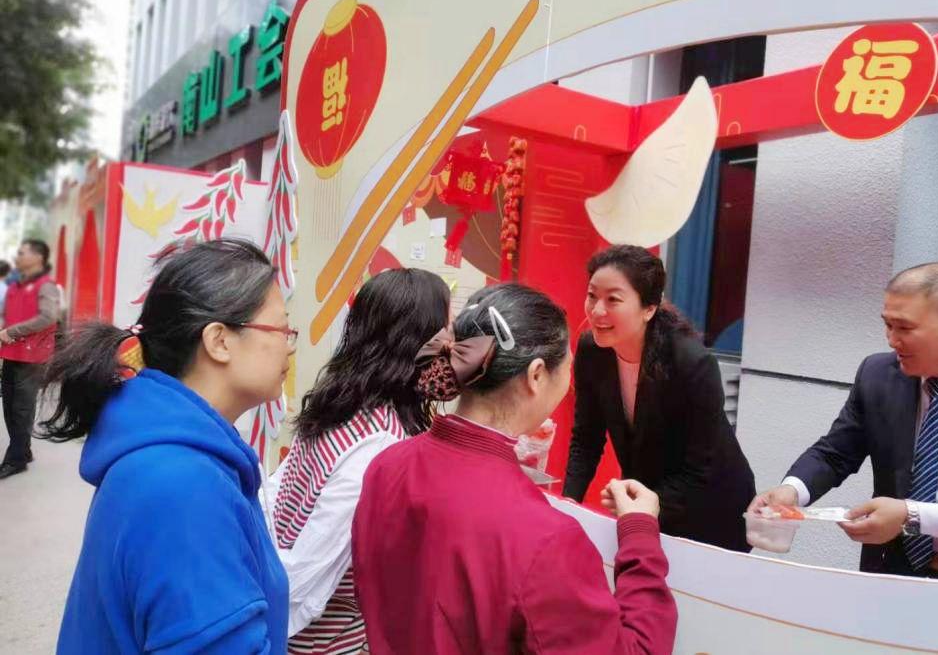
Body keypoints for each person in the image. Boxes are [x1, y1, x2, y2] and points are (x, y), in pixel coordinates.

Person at [353, 283, 678, 654]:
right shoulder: (547, 538)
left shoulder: (386, 466)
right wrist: (639, 535)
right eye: (568, 366)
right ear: (537, 375)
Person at [39, 239, 292, 652]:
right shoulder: (184, 487)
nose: (289, 345)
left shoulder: (176, 455)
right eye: (281, 329)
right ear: (220, 341)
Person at [268, 267, 450, 652]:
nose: (453, 348)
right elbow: (307, 571)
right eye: (446, 333)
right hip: (319, 641)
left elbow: (278, 496)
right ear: (418, 342)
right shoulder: (380, 443)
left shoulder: (340, 402)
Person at [749, 262, 938, 579]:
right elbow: (835, 452)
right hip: (891, 574)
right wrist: (791, 491)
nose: (891, 340)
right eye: (887, 325)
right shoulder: (878, 374)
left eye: (904, 328)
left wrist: (912, 514)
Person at [563, 245, 756, 552]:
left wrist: (642, 505)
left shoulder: (691, 362)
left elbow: (700, 469)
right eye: (592, 295)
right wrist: (568, 505)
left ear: (649, 308)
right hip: (647, 502)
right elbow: (586, 438)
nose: (597, 310)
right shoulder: (592, 351)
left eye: (613, 299)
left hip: (713, 508)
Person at [0, 240, 58, 479]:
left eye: (22, 253)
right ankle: (23, 450)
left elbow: (48, 317)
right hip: (11, 353)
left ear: (38, 257)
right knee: (9, 407)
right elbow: (8, 315)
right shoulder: (15, 286)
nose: (18, 257)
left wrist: (12, 331)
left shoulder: (46, 286)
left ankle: (16, 460)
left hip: (32, 357)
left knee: (21, 409)